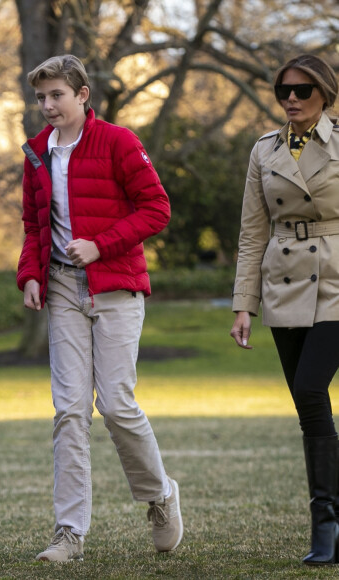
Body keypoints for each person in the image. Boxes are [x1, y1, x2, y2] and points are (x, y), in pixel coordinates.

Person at [16, 54, 183, 562]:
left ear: (82, 94)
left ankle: (160, 496)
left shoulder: (118, 141)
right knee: (69, 410)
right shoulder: (36, 152)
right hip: (63, 290)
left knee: (114, 403)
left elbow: (157, 208)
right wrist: (28, 274)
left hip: (115, 287)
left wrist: (100, 244)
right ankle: (70, 533)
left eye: (56, 95)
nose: (47, 105)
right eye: (41, 97)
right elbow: (32, 224)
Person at [230, 54, 339, 565]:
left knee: (311, 389)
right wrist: (243, 305)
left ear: (325, 94)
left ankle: (326, 521)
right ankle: (330, 521)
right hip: (283, 282)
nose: (291, 99)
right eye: (283, 91)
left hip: (337, 280)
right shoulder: (264, 151)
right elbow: (252, 232)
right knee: (307, 407)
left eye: (302, 90)